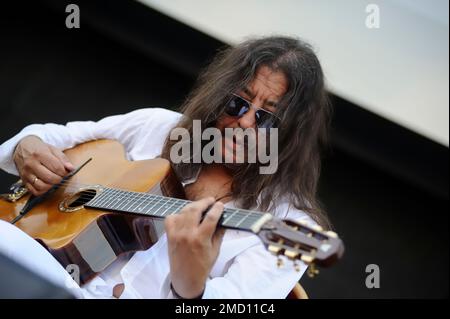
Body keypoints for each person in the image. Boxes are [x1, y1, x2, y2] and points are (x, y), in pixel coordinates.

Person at [0, 36, 332, 299]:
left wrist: (192, 287)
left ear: (290, 137)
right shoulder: (160, 126)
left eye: (265, 118)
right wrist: (25, 147)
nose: (244, 122)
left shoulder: (290, 223)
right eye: (237, 103)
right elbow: (52, 136)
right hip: (45, 269)